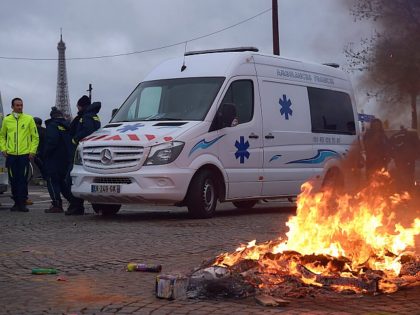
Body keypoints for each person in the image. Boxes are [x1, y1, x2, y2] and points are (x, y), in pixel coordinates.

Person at [0, 97, 39, 212]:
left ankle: (22, 203)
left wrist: (32, 151)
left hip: (24, 155)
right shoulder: (7, 120)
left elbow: (35, 137)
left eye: (21, 105)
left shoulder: (29, 119)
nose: (20, 107)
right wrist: (3, 149)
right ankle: (16, 203)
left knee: (22, 179)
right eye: (17, 105)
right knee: (13, 179)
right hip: (11, 155)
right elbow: (2, 136)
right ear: (12, 107)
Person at [65, 95, 101, 215]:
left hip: (81, 153)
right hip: (92, 152)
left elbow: (86, 130)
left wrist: (75, 139)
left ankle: (76, 206)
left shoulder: (85, 117)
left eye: (78, 106)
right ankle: (97, 205)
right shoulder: (94, 116)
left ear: (81, 106)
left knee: (71, 179)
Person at [44, 107, 81, 213]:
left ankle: (56, 204)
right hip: (67, 158)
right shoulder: (68, 125)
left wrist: (45, 154)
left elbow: (52, 142)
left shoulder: (52, 126)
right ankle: (73, 202)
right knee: (63, 182)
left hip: (54, 158)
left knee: (52, 180)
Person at [389, 126, 420, 191]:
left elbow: (417, 147)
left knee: (406, 174)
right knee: (406, 174)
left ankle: (406, 189)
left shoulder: (411, 136)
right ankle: (406, 188)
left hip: (405, 159)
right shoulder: (410, 136)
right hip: (404, 159)